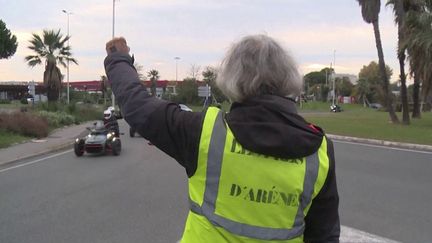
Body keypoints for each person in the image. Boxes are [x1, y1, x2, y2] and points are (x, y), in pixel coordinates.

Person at [104, 35, 339, 243]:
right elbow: (324, 235)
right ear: (290, 79)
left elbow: (138, 107)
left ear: (232, 79)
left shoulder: (206, 132)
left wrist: (119, 59)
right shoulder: (319, 150)